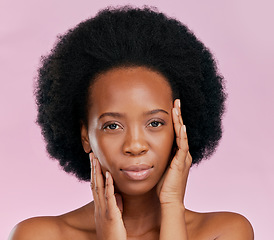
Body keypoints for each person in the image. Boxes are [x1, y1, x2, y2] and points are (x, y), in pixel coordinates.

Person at [9, 5, 254, 240]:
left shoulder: (225, 232)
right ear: (85, 136)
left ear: (181, 129)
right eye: (112, 126)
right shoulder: (37, 236)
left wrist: (171, 206)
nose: (135, 145)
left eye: (155, 123)